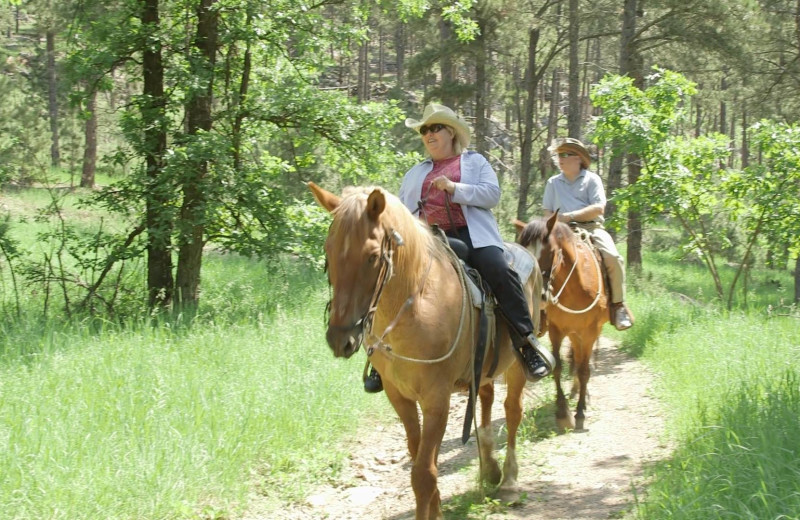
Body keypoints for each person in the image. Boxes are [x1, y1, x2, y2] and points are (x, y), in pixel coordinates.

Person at [364, 103, 555, 393]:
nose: (428, 134)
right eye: (424, 130)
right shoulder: (415, 172)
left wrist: (455, 189)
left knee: (499, 270)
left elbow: (492, 194)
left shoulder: (475, 162)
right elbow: (402, 209)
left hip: (471, 236)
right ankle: (378, 353)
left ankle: (526, 344)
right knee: (382, 275)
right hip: (425, 239)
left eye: (434, 128)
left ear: (451, 133)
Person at [542, 137, 633, 331]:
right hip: (560, 231)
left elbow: (599, 208)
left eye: (566, 154)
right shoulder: (553, 183)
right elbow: (547, 212)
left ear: (579, 158)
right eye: (559, 155)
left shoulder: (592, 180)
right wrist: (558, 222)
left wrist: (570, 216)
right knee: (537, 257)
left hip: (591, 229)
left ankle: (618, 306)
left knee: (613, 258)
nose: (560, 158)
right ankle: (538, 310)